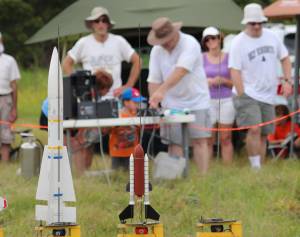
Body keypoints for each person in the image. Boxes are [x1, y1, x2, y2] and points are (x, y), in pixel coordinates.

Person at [229, 3, 292, 169]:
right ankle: (255, 167)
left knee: (265, 134)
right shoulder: (238, 42)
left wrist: (287, 80)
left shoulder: (272, 37)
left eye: (259, 23)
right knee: (254, 129)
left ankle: (260, 169)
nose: (257, 26)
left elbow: (285, 58)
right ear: (246, 23)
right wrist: (242, 94)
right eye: (253, 23)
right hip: (247, 93)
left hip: (268, 94)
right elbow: (234, 70)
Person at [147, 17, 211, 174]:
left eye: (167, 40)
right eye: (162, 41)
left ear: (175, 33)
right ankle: (176, 177)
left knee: (200, 140)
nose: (165, 44)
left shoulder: (190, 43)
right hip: (171, 104)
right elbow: (154, 79)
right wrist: (154, 101)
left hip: (197, 100)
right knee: (173, 142)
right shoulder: (157, 50)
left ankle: (203, 177)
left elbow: (181, 70)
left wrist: (161, 91)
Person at [62, 6, 141, 97]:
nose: (101, 24)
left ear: (108, 24)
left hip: (115, 97)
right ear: (92, 24)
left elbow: (137, 60)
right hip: (91, 96)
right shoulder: (83, 42)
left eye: (104, 20)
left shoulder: (118, 41)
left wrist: (128, 86)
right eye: (97, 21)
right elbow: (66, 63)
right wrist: (79, 85)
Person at [202, 26, 235, 164]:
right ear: (204, 42)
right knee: (208, 138)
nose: (211, 41)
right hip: (207, 100)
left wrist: (224, 81)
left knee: (225, 137)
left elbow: (237, 82)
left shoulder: (229, 57)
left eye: (213, 37)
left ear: (219, 38)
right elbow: (194, 81)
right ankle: (206, 172)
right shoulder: (200, 58)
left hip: (227, 99)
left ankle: (228, 170)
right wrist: (206, 82)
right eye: (207, 39)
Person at [109, 88, 145, 170]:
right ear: (126, 102)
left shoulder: (138, 115)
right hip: (117, 151)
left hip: (132, 152)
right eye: (135, 102)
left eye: (138, 102)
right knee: (116, 173)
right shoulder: (117, 115)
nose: (137, 105)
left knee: (131, 173)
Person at [0, 32, 20, 162]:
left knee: (5, 131)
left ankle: (5, 162)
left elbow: (14, 85)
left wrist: (14, 108)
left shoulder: (9, 60)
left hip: (5, 98)